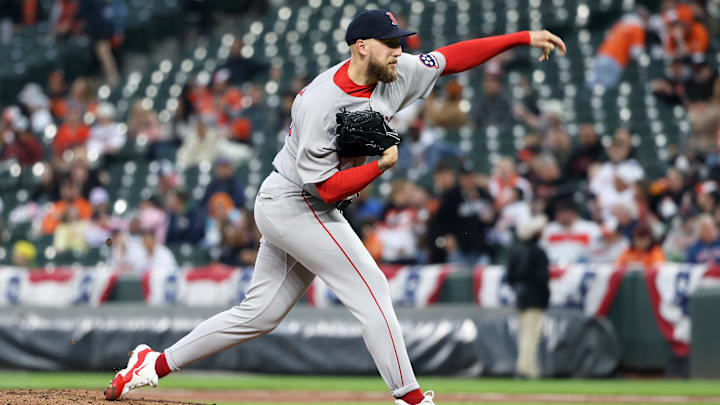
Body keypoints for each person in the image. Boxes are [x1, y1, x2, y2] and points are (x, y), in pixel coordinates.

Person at [104, 10, 565, 405]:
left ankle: (152, 364)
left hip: (299, 203)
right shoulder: (320, 102)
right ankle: (411, 397)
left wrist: (521, 38)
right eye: (389, 45)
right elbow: (324, 191)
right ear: (360, 47)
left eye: (399, 44)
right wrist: (380, 167)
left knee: (258, 314)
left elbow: (451, 58)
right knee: (371, 288)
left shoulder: (396, 71)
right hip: (296, 202)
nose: (398, 51)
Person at [507, 215, 550, 379]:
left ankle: (524, 366)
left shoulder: (517, 251)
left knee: (524, 333)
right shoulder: (539, 252)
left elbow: (510, 276)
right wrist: (545, 298)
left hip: (521, 297)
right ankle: (527, 369)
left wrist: (519, 289)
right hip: (535, 298)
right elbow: (542, 279)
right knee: (531, 335)